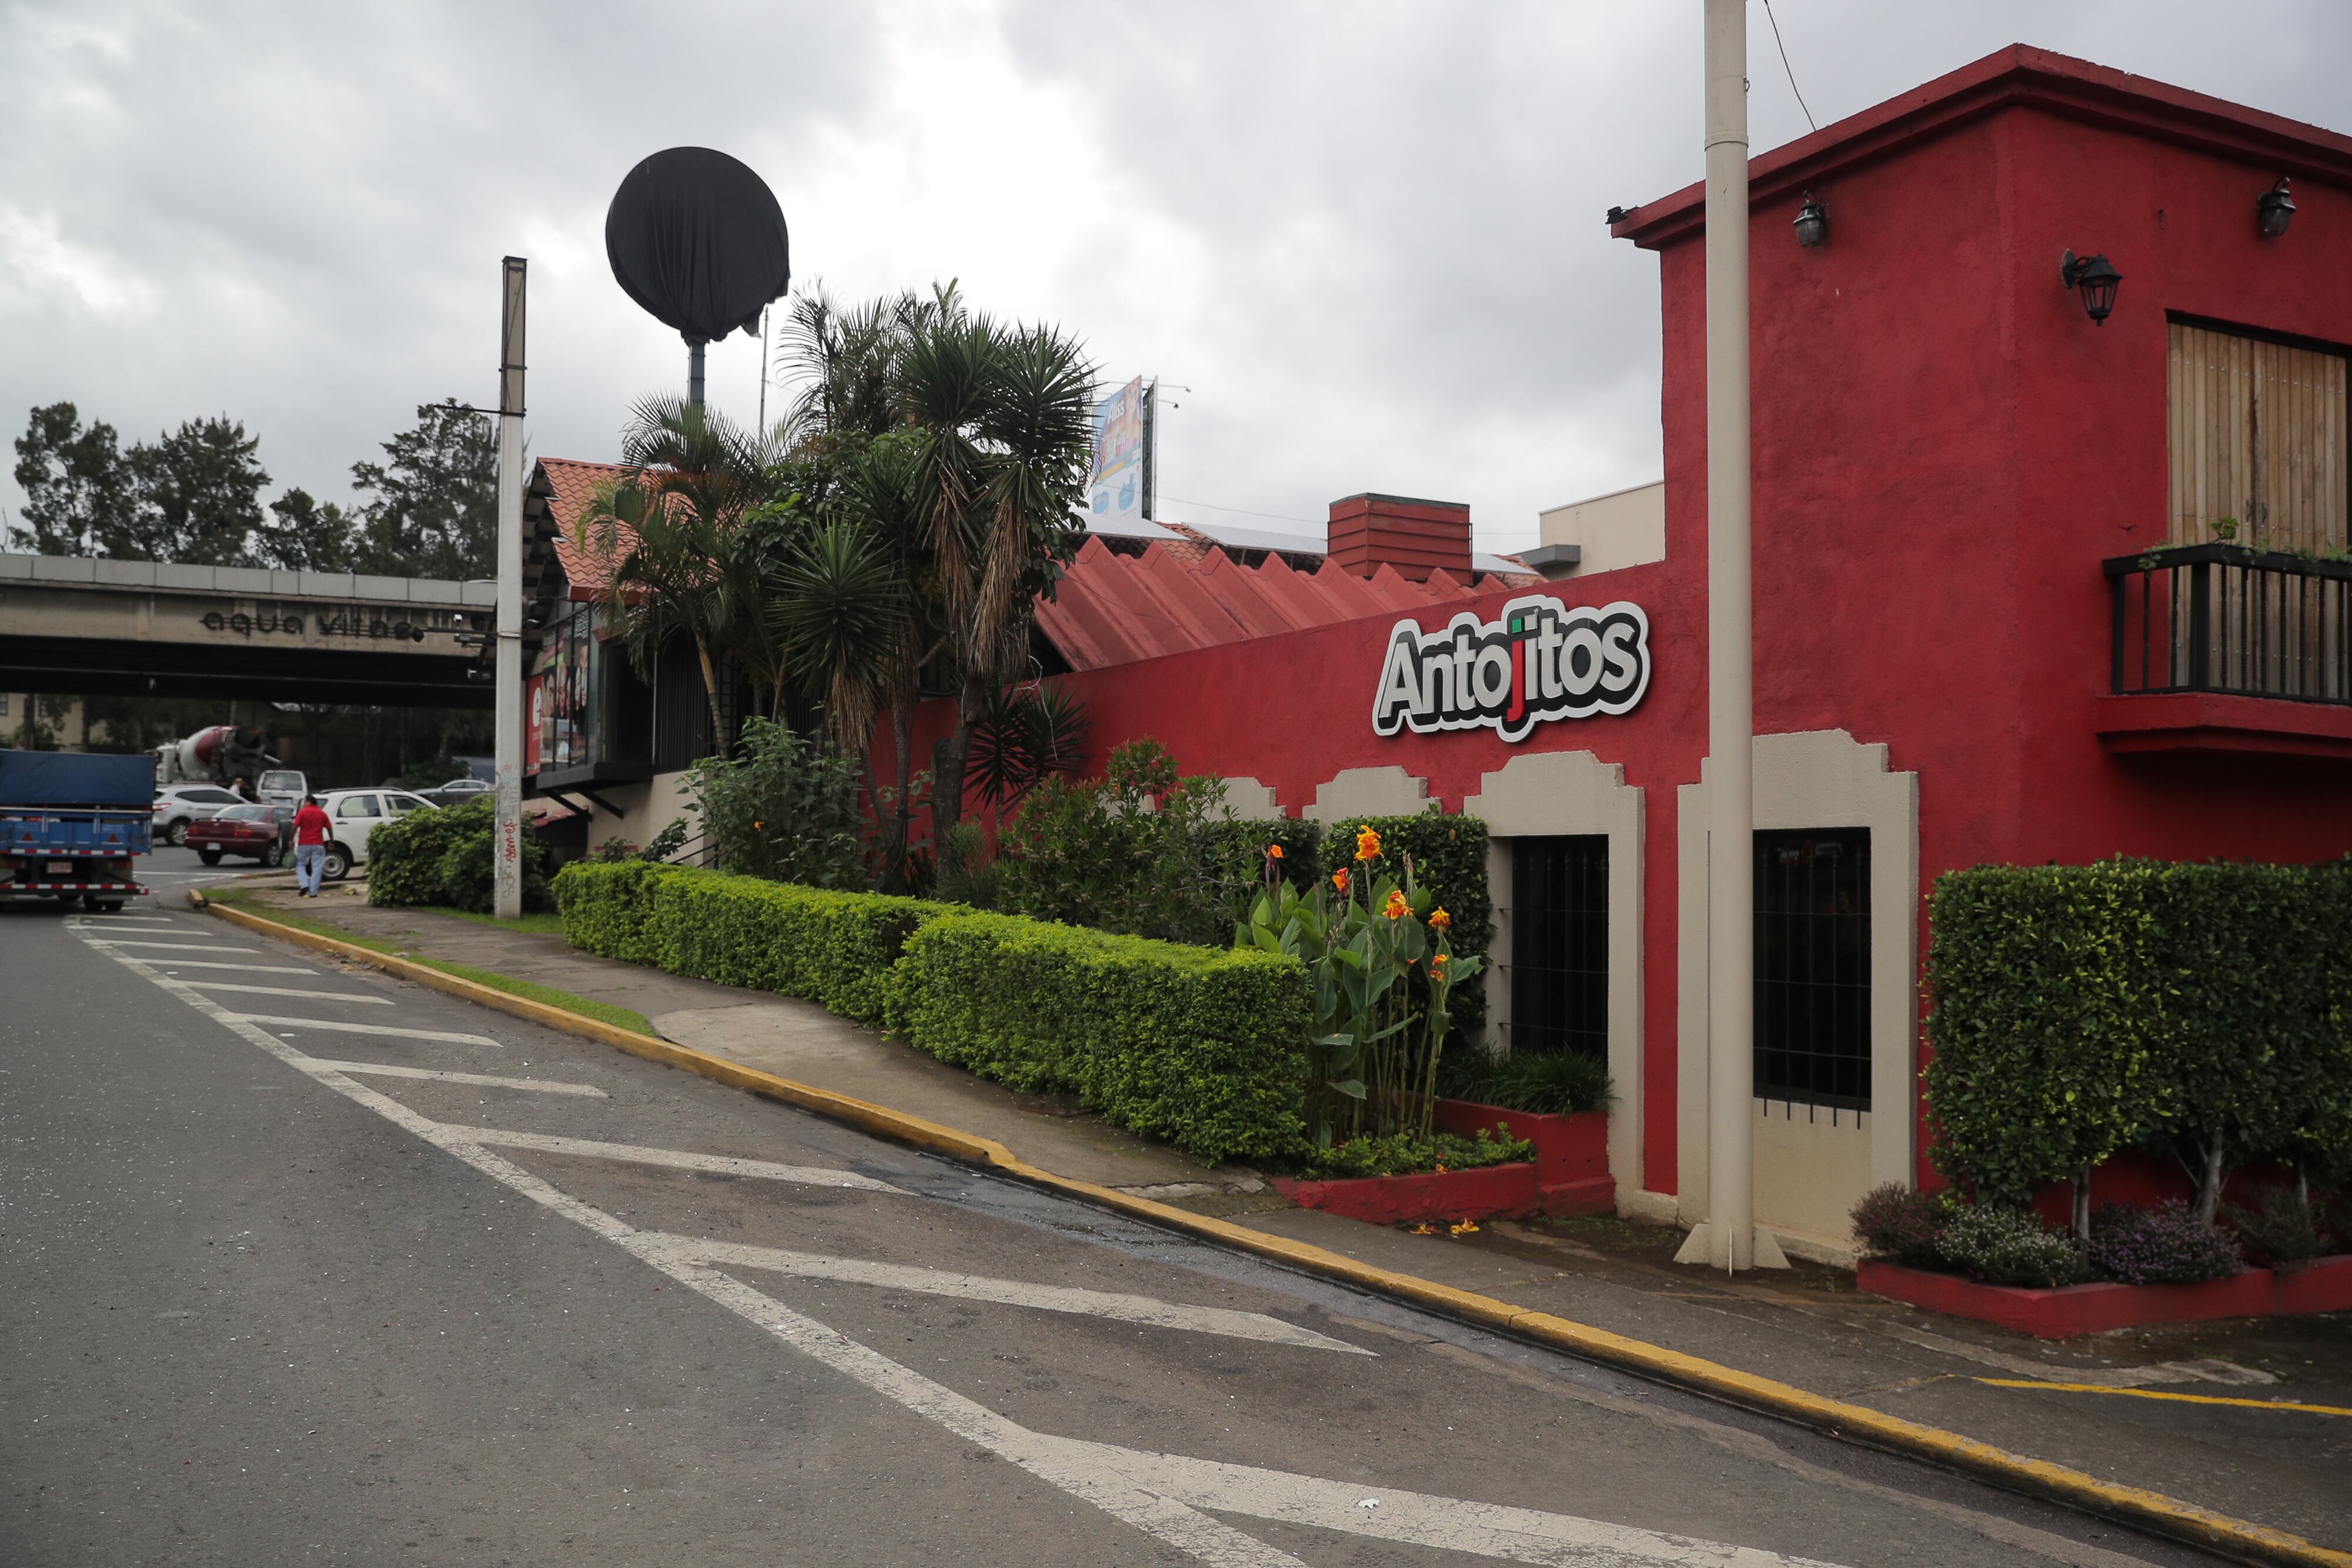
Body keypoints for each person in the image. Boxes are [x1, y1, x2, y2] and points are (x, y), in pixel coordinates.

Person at [292, 793, 331, 897]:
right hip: (318, 844)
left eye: (305, 802)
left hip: (304, 844)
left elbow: (295, 826)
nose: (304, 804)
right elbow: (329, 828)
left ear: (309, 801)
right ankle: (313, 892)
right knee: (317, 867)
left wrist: (291, 839)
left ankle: (304, 885)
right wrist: (331, 841)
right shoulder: (322, 814)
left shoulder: (303, 813)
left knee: (300, 864)